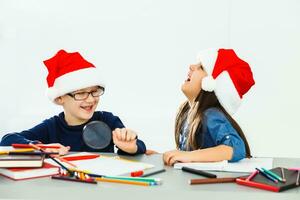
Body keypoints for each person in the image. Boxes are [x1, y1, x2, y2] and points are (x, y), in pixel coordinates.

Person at [0, 49, 146, 155]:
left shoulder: (108, 120)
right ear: (60, 98)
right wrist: (39, 147)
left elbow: (139, 146)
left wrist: (130, 147)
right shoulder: (52, 127)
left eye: (94, 91)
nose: (90, 99)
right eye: (81, 93)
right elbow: (7, 140)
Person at [163, 48, 255, 166]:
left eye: (201, 67)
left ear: (210, 84)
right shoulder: (186, 111)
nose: (191, 66)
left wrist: (188, 156)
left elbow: (235, 147)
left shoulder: (210, 114)